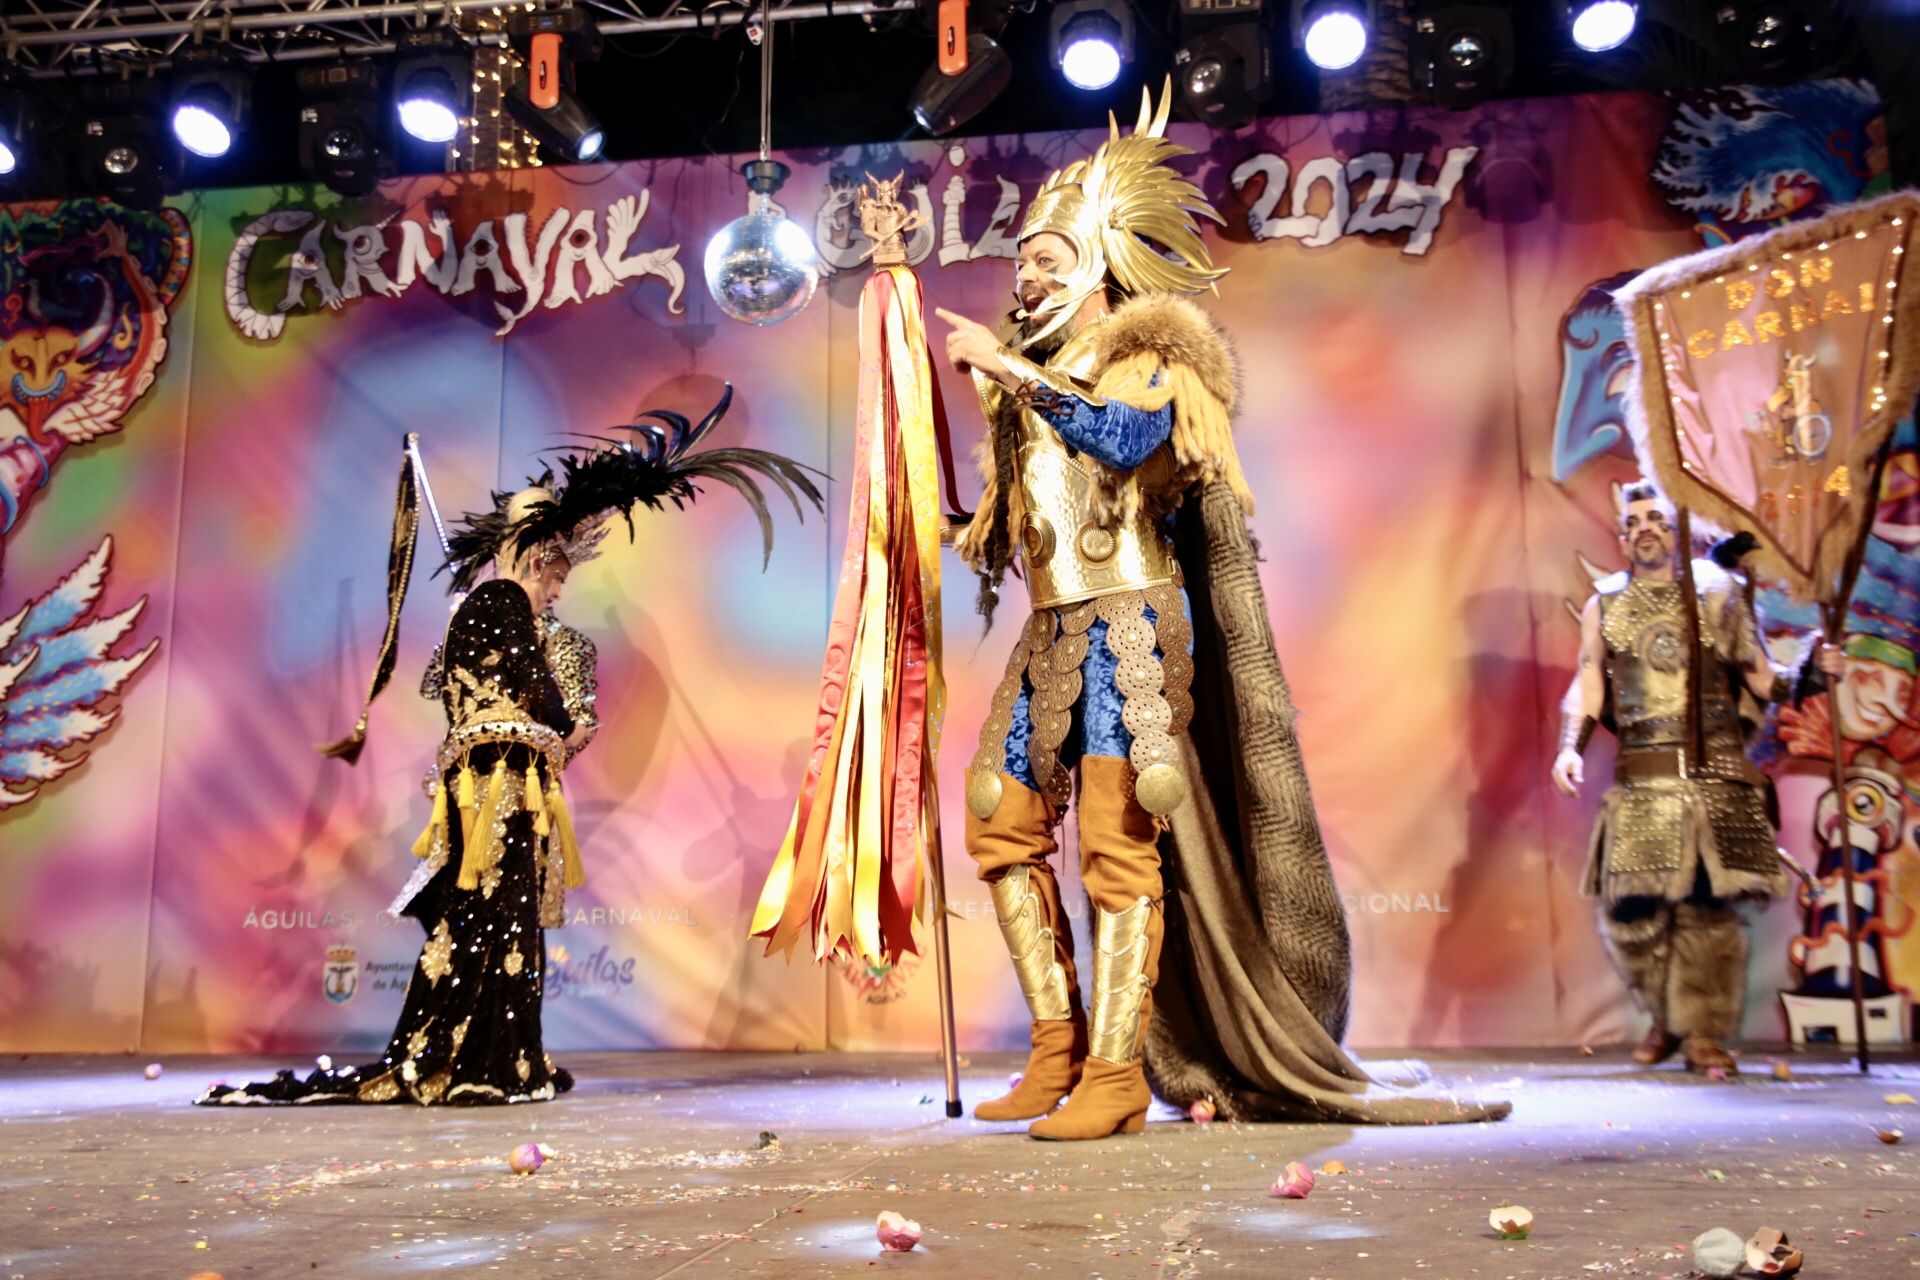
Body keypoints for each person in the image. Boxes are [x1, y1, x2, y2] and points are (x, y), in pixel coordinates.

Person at [939, 82, 1508, 1138]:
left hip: (1131, 627)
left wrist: (1012, 373)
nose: (1028, 272)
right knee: (1000, 823)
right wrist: (933, 512)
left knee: (1118, 841)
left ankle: (1116, 1070)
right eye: (1022, 258)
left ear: (1102, 261)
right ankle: (1057, 1047)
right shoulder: (1025, 384)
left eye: (1048, 257)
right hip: (1054, 628)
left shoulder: (1156, 356)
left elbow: (1118, 444)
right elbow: (1019, 520)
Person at [199, 387, 820, 1105]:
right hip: (487, 784)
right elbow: (488, 694)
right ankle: (467, 1055)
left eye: (565, 572)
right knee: (480, 914)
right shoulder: (496, 607)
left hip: (517, 783)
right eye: (554, 568)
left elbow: (540, 715)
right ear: (528, 555)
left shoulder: (527, 626)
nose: (561, 584)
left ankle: (494, 1054)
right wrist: (529, 688)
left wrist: (550, 730)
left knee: (505, 918)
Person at [1550, 480, 1808, 1075]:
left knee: (1705, 911)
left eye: (1656, 519)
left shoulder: (1717, 592)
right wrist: (1571, 748)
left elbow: (1762, 679)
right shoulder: (1605, 604)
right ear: (1622, 536)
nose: (1645, 527)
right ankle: (1668, 1015)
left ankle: (1700, 1034)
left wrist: (1816, 667)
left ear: (1674, 530)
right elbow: (1590, 682)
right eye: (1634, 520)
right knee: (1631, 912)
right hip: (1643, 781)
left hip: (1712, 775)